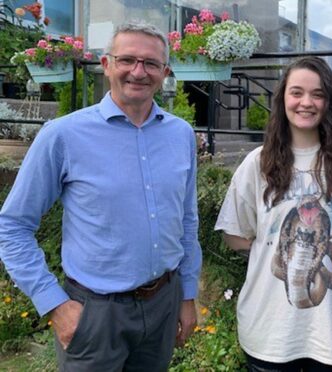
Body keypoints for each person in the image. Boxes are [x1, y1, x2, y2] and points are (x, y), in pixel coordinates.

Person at [0, 23, 201, 371]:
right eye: (127, 60)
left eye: (151, 63)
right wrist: (54, 304)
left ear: (165, 72)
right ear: (106, 65)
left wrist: (187, 295)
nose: (138, 72)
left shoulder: (181, 135)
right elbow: (12, 226)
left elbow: (186, 220)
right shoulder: (63, 136)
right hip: (95, 313)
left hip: (163, 304)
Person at [215, 56, 332, 371]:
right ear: (282, 98)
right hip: (269, 332)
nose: (306, 102)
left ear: (330, 102)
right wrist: (281, 250)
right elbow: (235, 235)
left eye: (318, 94)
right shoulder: (257, 164)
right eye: (297, 92)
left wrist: (324, 252)